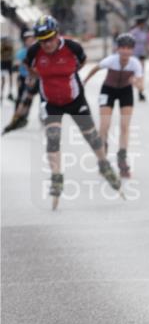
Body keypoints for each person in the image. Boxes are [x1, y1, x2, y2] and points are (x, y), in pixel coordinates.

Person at [22, 16, 121, 204]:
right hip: (50, 101)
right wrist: (35, 75)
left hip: (74, 99)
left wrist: (68, 72)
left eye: (50, 38)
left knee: (91, 136)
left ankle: (103, 163)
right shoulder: (34, 51)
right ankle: (56, 176)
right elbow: (27, 65)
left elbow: (82, 61)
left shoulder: (72, 47)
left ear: (57, 34)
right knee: (52, 137)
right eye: (42, 40)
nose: (47, 44)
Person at [82, 33, 144, 178]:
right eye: (122, 47)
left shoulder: (135, 64)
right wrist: (84, 82)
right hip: (108, 90)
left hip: (125, 91)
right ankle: (102, 157)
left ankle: (122, 158)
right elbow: (95, 69)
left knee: (125, 126)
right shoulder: (111, 60)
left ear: (132, 50)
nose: (125, 51)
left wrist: (135, 82)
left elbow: (141, 87)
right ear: (117, 48)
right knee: (104, 125)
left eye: (129, 48)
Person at [130, 20, 149, 99]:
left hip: (141, 54)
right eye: (142, 24)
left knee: (141, 73)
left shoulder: (143, 32)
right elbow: (129, 43)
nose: (143, 25)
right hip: (134, 55)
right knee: (132, 74)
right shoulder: (133, 32)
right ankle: (132, 89)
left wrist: (147, 50)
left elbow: (145, 42)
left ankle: (140, 91)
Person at [1, 34, 16, 102]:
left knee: (10, 79)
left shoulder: (10, 47)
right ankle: (2, 94)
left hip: (8, 64)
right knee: (3, 79)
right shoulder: (2, 47)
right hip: (4, 64)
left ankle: (9, 93)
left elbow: (12, 55)